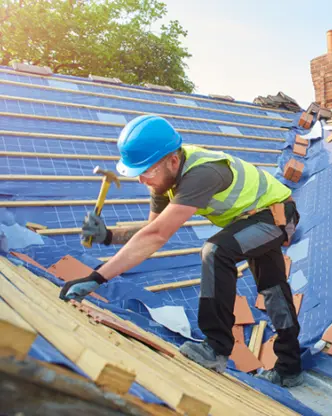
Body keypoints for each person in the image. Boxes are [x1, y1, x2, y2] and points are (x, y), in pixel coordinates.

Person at [59, 114, 304, 387]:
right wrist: (108, 236)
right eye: (138, 173)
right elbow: (151, 229)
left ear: (173, 161)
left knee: (216, 251)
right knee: (273, 289)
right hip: (251, 220)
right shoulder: (163, 179)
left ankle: (216, 348)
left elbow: (156, 237)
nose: (142, 180)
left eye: (147, 171)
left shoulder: (203, 173)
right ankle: (290, 367)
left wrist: (97, 278)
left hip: (276, 215)